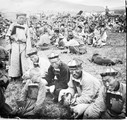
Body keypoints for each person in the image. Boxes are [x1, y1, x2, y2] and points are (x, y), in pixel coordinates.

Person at [6, 13, 32, 80]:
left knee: (24, 60)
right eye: (20, 18)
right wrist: (9, 45)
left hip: (23, 45)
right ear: (17, 18)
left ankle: (25, 75)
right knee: (15, 60)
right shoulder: (13, 25)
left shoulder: (26, 26)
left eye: (23, 18)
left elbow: (28, 37)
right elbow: (8, 35)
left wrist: (28, 48)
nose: (22, 19)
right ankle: (14, 75)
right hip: (15, 44)